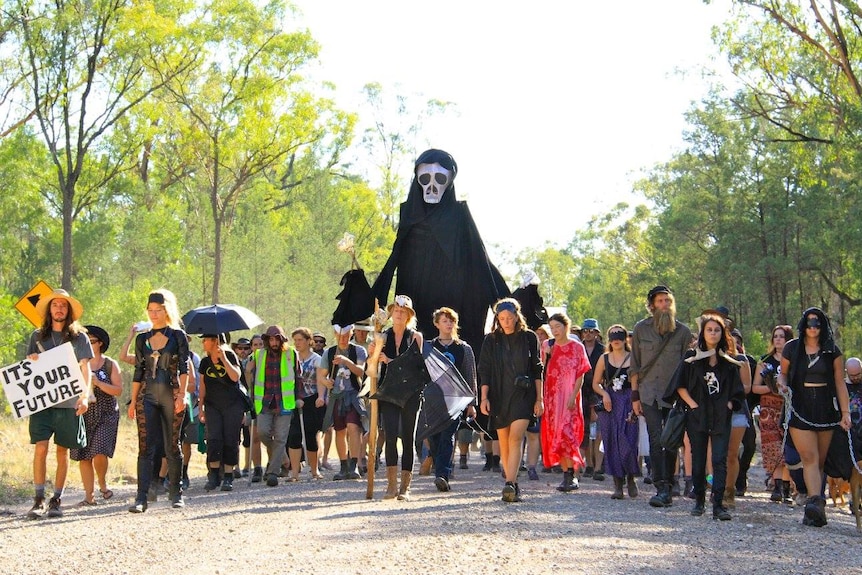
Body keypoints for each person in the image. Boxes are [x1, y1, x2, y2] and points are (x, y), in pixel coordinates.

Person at [371, 149, 510, 349]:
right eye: (425, 178)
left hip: (453, 295)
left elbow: (480, 259)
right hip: (414, 292)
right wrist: (375, 298)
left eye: (440, 179)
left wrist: (503, 304)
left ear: (450, 181)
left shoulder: (459, 215)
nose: (432, 187)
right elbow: (395, 255)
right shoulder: (409, 213)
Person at [664, 313, 746, 520]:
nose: (713, 333)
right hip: (697, 416)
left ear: (722, 333)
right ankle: (699, 501)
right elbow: (679, 385)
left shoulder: (728, 361)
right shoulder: (692, 358)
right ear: (703, 332)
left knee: (719, 459)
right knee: (698, 458)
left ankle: (718, 504)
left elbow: (737, 390)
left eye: (717, 330)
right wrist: (692, 405)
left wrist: (729, 404)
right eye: (709, 330)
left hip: (720, 416)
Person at [778, 307, 851, 527]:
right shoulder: (792, 348)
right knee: (808, 457)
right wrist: (781, 384)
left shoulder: (832, 351)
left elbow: (840, 382)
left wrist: (845, 412)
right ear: (803, 325)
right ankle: (815, 502)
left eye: (817, 323)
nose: (813, 328)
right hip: (800, 404)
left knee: (819, 460)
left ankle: (815, 508)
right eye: (809, 323)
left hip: (825, 406)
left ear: (823, 326)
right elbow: (783, 373)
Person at [24, 289, 93, 518]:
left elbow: (86, 369)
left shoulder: (79, 337)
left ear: (69, 310)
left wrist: (84, 396)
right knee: (41, 448)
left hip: (68, 404)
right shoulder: (37, 336)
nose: (59, 309)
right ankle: (38, 499)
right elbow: (27, 370)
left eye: (64, 305)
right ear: (49, 310)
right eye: (56, 305)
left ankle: (56, 499)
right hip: (43, 405)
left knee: (62, 451)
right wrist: (32, 360)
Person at [630, 285, 693, 508]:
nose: (664, 305)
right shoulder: (640, 329)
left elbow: (689, 367)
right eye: (660, 301)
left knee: (672, 439)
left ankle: (671, 481)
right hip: (648, 393)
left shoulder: (683, 332)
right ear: (651, 305)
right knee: (656, 439)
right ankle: (662, 487)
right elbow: (635, 365)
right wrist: (635, 396)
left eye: (667, 301)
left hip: (675, 394)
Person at [128, 289, 190, 512]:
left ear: (166, 311)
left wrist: (182, 394)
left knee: (172, 445)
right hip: (147, 395)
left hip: (171, 394)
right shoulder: (142, 339)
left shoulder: (177, 336)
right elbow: (138, 371)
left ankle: (176, 493)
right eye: (150, 311)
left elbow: (184, 367)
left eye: (158, 310)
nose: (153, 315)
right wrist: (133, 401)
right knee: (145, 447)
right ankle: (141, 497)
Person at [479, 298, 543, 502]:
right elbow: (485, 371)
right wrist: (484, 397)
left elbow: (537, 369)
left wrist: (539, 398)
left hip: (523, 395)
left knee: (516, 437)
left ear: (517, 316)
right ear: (498, 318)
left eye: (509, 317)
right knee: (504, 441)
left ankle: (508, 482)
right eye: (502, 318)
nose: (506, 321)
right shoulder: (491, 340)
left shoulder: (529, 338)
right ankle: (513, 484)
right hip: (499, 394)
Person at [369, 295, 424, 500]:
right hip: (389, 392)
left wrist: (391, 360)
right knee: (390, 436)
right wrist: (373, 353)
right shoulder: (382, 336)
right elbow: (372, 366)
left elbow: (417, 366)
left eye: (403, 311)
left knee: (408, 437)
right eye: (397, 311)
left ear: (409, 315)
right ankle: (391, 485)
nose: (399, 314)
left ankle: (405, 487)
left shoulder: (415, 337)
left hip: (411, 392)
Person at [428, 307, 477, 492]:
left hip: (455, 400)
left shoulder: (463, 349)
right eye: (444, 321)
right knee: (434, 438)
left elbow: (470, 376)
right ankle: (438, 466)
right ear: (437, 324)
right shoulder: (429, 347)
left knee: (447, 437)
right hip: (433, 400)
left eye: (451, 321)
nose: (448, 324)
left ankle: (443, 474)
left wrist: (471, 403)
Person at [71, 325, 122, 506]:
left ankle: (102, 482)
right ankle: (89, 496)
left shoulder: (109, 364)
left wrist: (98, 383)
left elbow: (118, 390)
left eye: (91, 341)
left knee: (100, 451)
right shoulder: (75, 364)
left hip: (106, 413)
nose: (88, 344)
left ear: (100, 343)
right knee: (84, 455)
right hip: (83, 413)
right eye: (85, 341)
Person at [540, 312, 591, 493]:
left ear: (566, 326)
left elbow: (581, 375)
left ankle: (573, 474)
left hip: (569, 394)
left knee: (568, 432)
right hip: (551, 395)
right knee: (556, 434)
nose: (555, 331)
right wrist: (547, 355)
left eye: (558, 327)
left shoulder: (577, 347)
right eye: (552, 328)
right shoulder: (547, 345)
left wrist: (574, 396)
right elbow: (542, 372)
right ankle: (566, 474)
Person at [245, 325, 300, 487]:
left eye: (277, 339)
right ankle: (283, 456)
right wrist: (248, 372)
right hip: (265, 402)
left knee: (281, 437)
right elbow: (252, 380)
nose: (274, 342)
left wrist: (299, 398)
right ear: (267, 340)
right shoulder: (258, 355)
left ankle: (272, 473)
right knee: (262, 433)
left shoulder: (291, 353)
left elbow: (298, 377)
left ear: (282, 340)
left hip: (285, 402)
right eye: (271, 339)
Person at [592, 324, 640, 499]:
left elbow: (635, 384)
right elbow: (595, 383)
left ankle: (631, 477)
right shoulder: (604, 359)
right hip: (610, 404)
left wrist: (636, 403)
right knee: (612, 442)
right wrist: (604, 394)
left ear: (625, 338)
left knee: (629, 441)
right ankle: (617, 484)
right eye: (613, 337)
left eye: (620, 336)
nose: (616, 340)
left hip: (627, 402)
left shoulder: (633, 358)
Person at [751, 325, 795, 503]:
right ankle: (776, 486)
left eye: (782, 337)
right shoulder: (765, 361)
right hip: (769, 408)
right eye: (775, 336)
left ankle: (786, 487)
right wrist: (772, 388)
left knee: (788, 447)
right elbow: (754, 387)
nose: (778, 339)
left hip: (789, 407)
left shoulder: (794, 360)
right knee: (772, 447)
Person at [198, 333, 244, 491]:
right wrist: (201, 406)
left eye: (206, 340)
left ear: (215, 341)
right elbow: (202, 385)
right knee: (213, 439)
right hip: (212, 405)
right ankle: (214, 475)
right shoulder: (204, 362)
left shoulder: (230, 356)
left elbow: (235, 377)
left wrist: (223, 359)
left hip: (232, 405)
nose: (203, 343)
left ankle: (228, 476)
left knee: (230, 439)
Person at [287, 328, 324, 481]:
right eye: (295, 340)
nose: (297, 343)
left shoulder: (316, 359)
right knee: (294, 435)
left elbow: (320, 379)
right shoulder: (290, 358)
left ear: (309, 341)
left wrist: (320, 396)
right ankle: (295, 473)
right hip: (293, 399)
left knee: (310, 435)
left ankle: (314, 471)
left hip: (311, 399)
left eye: (300, 340)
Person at [580, 318, 606, 481]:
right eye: (585, 331)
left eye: (591, 331)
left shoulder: (603, 351)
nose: (588, 334)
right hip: (581, 392)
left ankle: (598, 467)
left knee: (599, 433)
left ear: (597, 333)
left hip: (598, 391)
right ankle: (588, 464)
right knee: (584, 432)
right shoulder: (578, 348)